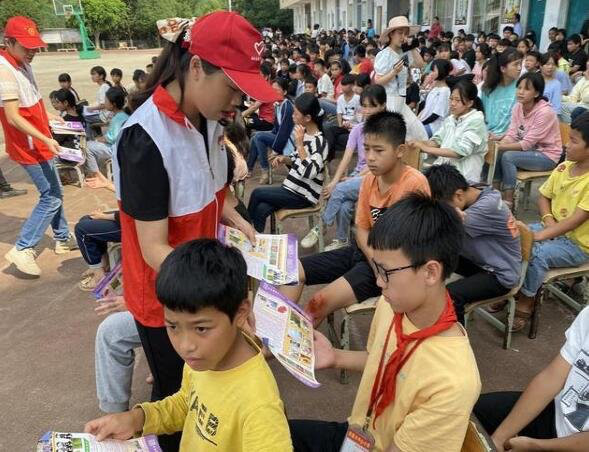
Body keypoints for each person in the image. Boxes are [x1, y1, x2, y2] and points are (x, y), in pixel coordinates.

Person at [113, 12, 277, 451]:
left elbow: (215, 192)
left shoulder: (209, 119)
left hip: (205, 287)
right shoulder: (145, 139)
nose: (237, 104)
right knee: (178, 396)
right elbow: (153, 247)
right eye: (233, 88)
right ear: (197, 67)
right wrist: (222, 298)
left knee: (205, 389)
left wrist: (239, 220)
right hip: (168, 298)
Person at [289, 193, 481, 451]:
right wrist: (336, 357)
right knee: (268, 432)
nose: (379, 282)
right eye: (377, 269)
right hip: (356, 436)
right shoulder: (392, 305)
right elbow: (383, 359)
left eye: (386, 272)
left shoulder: (453, 381)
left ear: (430, 272)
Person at [85, 239, 293, 451]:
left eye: (201, 328)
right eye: (173, 326)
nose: (185, 346)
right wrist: (137, 419)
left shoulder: (259, 406)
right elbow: (187, 403)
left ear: (240, 313)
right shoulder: (205, 358)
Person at [280, 112, 430, 327]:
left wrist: (380, 269)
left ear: (400, 151)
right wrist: (373, 261)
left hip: (392, 266)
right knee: (291, 271)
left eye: (378, 150)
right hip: (366, 255)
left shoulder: (415, 184)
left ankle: (293, 341)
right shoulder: (369, 180)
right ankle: (277, 333)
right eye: (366, 149)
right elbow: (362, 229)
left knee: (318, 302)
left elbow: (409, 246)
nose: (370, 157)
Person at [1, 16, 78, 277]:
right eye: (26, 47)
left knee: (54, 191)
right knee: (51, 196)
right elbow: (13, 117)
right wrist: (45, 138)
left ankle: (62, 237)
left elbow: (31, 103)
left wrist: (49, 117)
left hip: (39, 141)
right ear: (9, 42)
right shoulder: (4, 70)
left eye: (34, 47)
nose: (32, 52)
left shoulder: (22, 63)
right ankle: (23, 248)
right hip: (29, 146)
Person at [510, 112, 589, 331]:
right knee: (513, 236)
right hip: (552, 227)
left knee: (536, 253)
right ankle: (511, 288)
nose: (566, 145)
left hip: (578, 245)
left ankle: (527, 300)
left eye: (574, 141)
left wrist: (540, 235)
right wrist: (548, 220)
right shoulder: (564, 167)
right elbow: (544, 196)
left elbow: (575, 221)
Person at [475, 305, 589, 451]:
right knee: (468, 413)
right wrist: (498, 439)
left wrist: (535, 446)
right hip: (556, 414)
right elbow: (551, 378)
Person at [425, 164, 521, 324]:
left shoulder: (485, 208)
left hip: (499, 274)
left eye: (442, 208)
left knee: (451, 296)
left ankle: (456, 337)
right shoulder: (468, 188)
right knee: (428, 258)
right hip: (479, 261)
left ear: (459, 195)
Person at [302, 85, 387, 251]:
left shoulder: (386, 131)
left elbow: (377, 164)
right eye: (364, 106)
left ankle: (321, 226)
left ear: (383, 106)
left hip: (378, 177)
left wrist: (350, 180)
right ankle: (342, 240)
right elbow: (346, 158)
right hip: (359, 175)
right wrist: (334, 181)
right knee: (343, 204)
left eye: (372, 106)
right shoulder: (358, 129)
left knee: (339, 190)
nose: (367, 111)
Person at [247, 93, 328, 232]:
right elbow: (297, 159)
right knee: (262, 208)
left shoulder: (320, 142)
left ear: (308, 118)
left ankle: (246, 231)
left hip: (303, 196)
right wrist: (285, 159)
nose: (292, 116)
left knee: (257, 193)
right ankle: (255, 236)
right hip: (291, 189)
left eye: (296, 114)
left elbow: (310, 172)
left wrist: (300, 145)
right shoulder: (304, 134)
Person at [496, 72, 563, 206]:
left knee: (508, 156)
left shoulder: (545, 112)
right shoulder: (518, 107)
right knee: (497, 151)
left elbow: (527, 143)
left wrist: (500, 146)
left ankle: (508, 200)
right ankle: (495, 193)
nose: (520, 92)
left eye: (526, 89)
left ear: (536, 93)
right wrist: (500, 144)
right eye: (519, 87)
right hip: (529, 151)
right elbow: (512, 134)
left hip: (547, 156)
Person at [412, 80, 488, 182]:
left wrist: (425, 148)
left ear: (470, 103)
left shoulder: (476, 121)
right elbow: (437, 141)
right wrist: (417, 143)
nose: (452, 103)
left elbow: (458, 152)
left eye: (457, 100)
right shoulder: (451, 119)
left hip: (464, 177)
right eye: (451, 98)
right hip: (445, 171)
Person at [374, 16, 428, 141]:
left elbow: (421, 64)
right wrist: (393, 72)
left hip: (401, 100)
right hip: (389, 100)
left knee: (419, 132)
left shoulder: (405, 52)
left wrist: (412, 47)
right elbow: (378, 81)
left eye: (406, 33)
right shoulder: (384, 54)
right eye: (400, 33)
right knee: (394, 136)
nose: (403, 36)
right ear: (391, 34)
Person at [246, 78, 294, 183]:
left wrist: (275, 150)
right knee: (255, 136)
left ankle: (265, 171)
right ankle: (249, 168)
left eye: (277, 90)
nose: (273, 92)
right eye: (272, 90)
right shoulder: (278, 105)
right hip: (280, 137)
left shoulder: (287, 107)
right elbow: (277, 128)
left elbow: (284, 133)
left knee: (259, 137)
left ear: (285, 92)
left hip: (289, 142)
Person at [86, 87, 129, 177]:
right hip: (119, 147)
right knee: (91, 143)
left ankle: (96, 175)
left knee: (87, 147)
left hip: (115, 149)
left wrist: (98, 139)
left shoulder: (118, 118)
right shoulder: (122, 115)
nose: (104, 103)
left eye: (106, 101)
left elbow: (111, 139)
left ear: (113, 104)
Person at [480, 47, 522, 140]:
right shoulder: (487, 88)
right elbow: (483, 115)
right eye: (516, 64)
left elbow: (523, 121)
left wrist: (501, 136)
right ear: (503, 68)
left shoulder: (522, 87)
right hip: (488, 135)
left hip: (512, 137)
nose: (519, 68)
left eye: (520, 64)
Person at [324, 74, 360, 157]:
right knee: (329, 130)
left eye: (345, 85)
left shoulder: (358, 98)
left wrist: (351, 125)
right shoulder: (340, 98)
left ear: (352, 85)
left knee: (337, 138)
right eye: (342, 85)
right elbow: (339, 113)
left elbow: (359, 115)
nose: (342, 87)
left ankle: (330, 155)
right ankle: (330, 155)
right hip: (344, 126)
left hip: (354, 126)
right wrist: (340, 125)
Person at [418, 59, 451, 138]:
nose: (431, 73)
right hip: (425, 123)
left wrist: (420, 124)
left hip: (434, 127)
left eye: (433, 70)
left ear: (441, 71)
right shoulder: (435, 89)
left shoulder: (445, 91)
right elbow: (426, 108)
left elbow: (435, 115)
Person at [242, 63, 275, 134]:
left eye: (259, 75)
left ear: (266, 77)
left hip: (266, 122)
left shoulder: (266, 89)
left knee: (242, 120)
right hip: (262, 118)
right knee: (246, 117)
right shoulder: (267, 86)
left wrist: (240, 116)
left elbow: (254, 107)